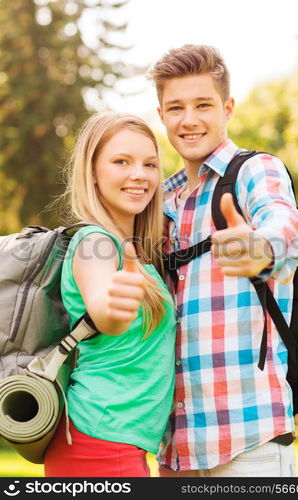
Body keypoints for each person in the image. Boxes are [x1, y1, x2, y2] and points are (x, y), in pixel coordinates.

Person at [147, 44, 298, 477]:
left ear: (228, 108)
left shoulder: (255, 171)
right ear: (161, 114)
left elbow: (286, 225)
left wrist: (264, 247)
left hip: (247, 442)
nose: (189, 119)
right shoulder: (162, 201)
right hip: (176, 450)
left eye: (203, 104)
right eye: (176, 107)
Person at [44, 112, 176, 477]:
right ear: (92, 172)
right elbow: (104, 311)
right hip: (99, 445)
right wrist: (114, 312)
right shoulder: (95, 242)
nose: (140, 174)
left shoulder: (134, 252)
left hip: (111, 444)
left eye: (150, 164)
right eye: (121, 161)